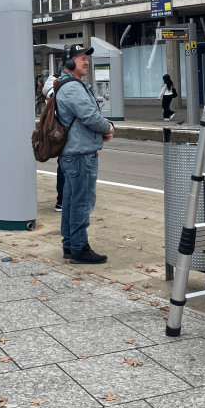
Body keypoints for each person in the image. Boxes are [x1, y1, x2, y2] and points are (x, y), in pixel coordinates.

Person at [54, 44, 115, 264]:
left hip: (74, 153)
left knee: (71, 202)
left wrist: (100, 133)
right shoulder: (72, 87)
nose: (86, 62)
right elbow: (90, 116)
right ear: (69, 63)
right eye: (81, 59)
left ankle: (70, 246)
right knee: (81, 203)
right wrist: (107, 128)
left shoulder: (70, 85)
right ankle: (79, 248)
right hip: (80, 155)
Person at [41, 75, 65, 212]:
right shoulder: (56, 95)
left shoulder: (49, 96)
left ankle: (60, 201)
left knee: (61, 169)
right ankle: (63, 201)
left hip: (56, 138)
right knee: (65, 170)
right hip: (64, 136)